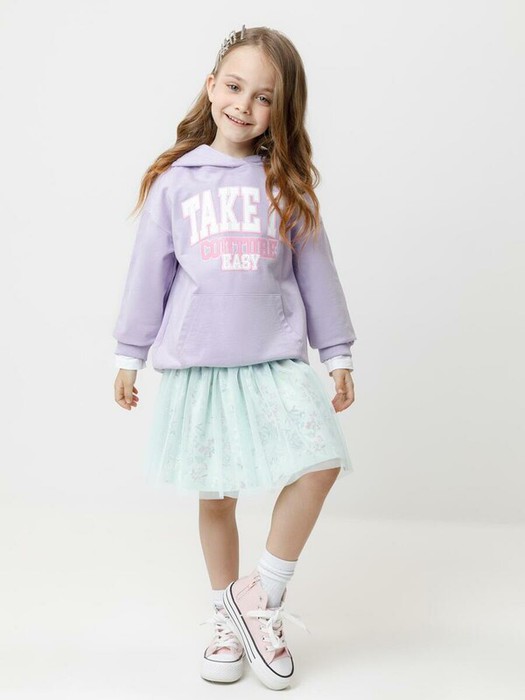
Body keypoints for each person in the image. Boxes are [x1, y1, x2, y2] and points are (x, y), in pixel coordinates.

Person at [112, 24, 357, 690]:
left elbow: (318, 274)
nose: (244, 105)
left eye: (264, 96)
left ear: (282, 109)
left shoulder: (286, 184)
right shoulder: (176, 183)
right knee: (217, 497)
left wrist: (337, 353)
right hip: (202, 364)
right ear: (211, 86)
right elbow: (148, 274)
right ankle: (228, 619)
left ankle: (258, 598)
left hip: (274, 358)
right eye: (234, 86)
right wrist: (129, 354)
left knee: (320, 463)